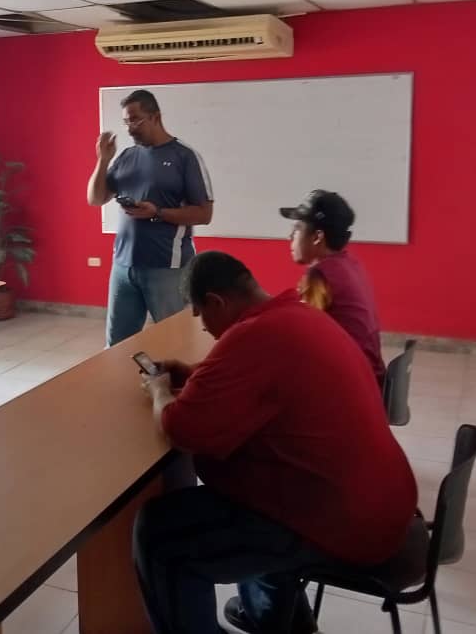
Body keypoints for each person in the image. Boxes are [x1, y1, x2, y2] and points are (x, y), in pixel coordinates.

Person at [134, 252, 417, 634]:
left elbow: (182, 428)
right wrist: (196, 373)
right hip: (382, 506)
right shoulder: (299, 315)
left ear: (217, 302)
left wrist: (159, 391)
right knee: (233, 491)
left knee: (158, 535)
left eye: (202, 316)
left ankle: (267, 615)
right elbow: (263, 375)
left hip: (346, 524)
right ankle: (280, 620)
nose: (205, 328)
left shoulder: (252, 336)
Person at [86, 89, 214, 347]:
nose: (130, 128)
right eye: (126, 122)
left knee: (174, 343)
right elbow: (96, 198)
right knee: (116, 345)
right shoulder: (126, 156)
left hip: (167, 267)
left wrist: (158, 213)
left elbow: (204, 213)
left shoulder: (184, 156)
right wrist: (103, 161)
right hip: (123, 266)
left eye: (136, 120)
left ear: (156, 117)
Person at [280, 190, 386, 385]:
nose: (290, 236)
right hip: (370, 378)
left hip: (352, 385)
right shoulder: (350, 264)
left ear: (317, 236)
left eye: (297, 228)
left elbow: (301, 335)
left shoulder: (320, 275)